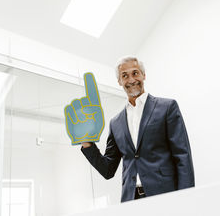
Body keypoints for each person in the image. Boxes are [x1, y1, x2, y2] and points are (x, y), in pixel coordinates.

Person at [81, 56, 195, 202]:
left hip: (165, 195)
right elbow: (108, 170)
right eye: (125, 75)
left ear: (143, 75)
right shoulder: (115, 122)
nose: (131, 80)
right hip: (131, 200)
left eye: (135, 73)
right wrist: (86, 142)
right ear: (119, 81)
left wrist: (187, 198)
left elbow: (182, 156)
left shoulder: (167, 107)